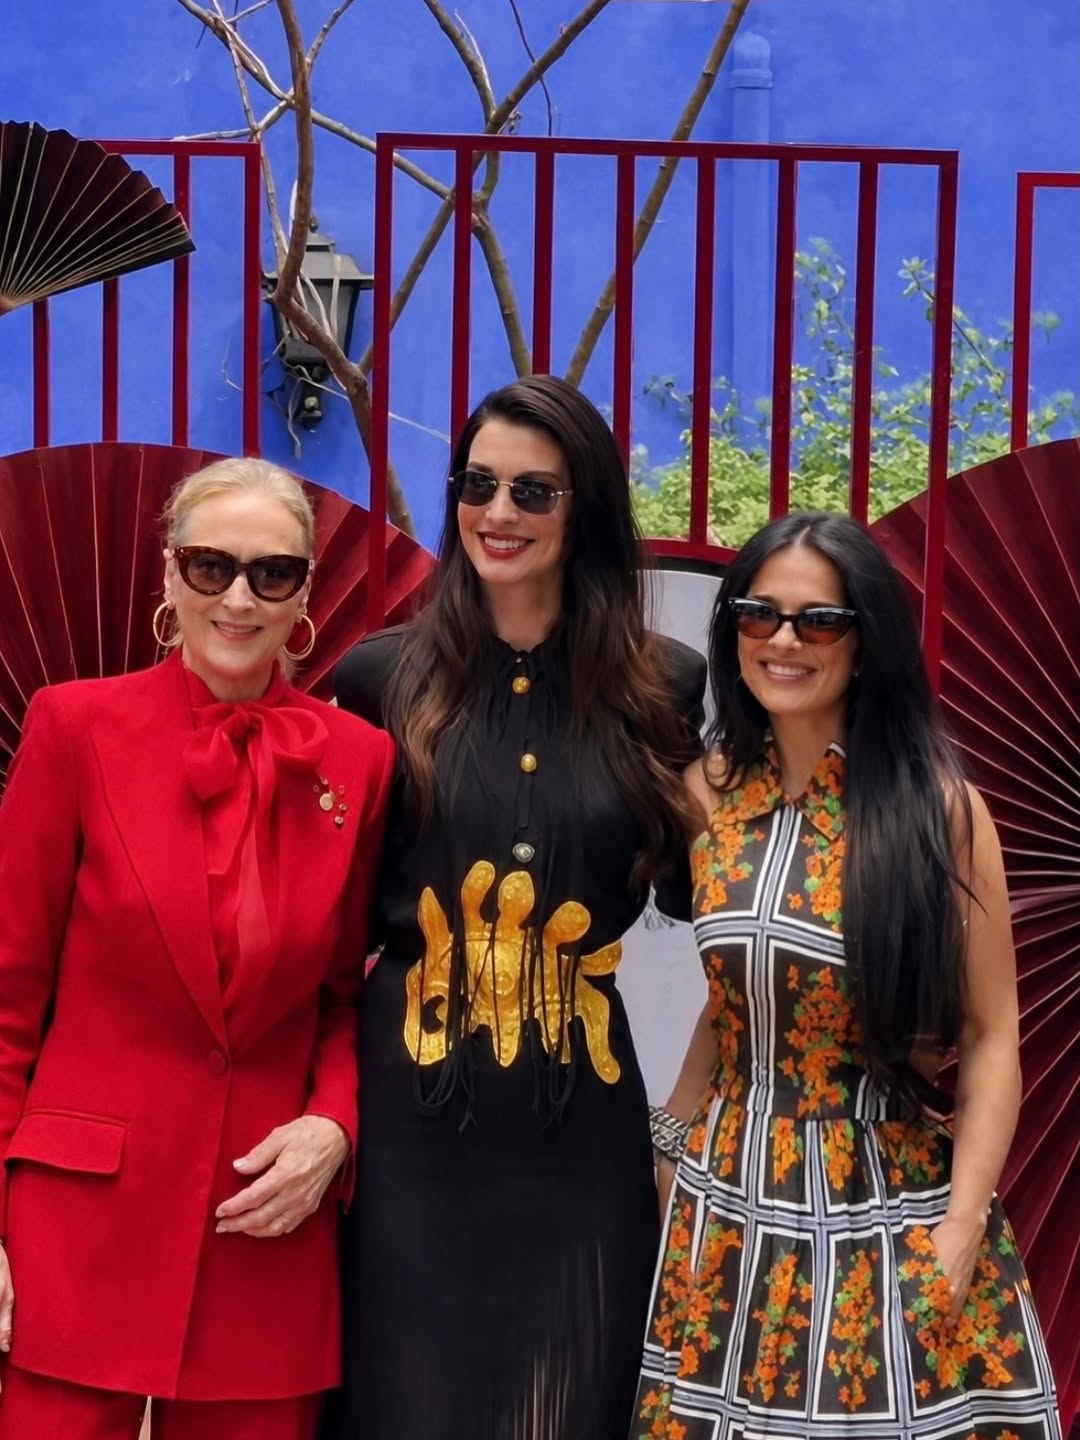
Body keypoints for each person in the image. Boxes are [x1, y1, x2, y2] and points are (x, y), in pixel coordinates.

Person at [324, 375, 706, 1440]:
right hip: (409, 1132)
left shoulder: (662, 688)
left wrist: (676, 1130)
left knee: (574, 1410)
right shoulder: (376, 681)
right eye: (477, 484)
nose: (498, 514)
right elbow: (325, 920)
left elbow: (709, 896)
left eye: (533, 493)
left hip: (581, 1136)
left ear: (583, 509)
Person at [634, 511, 1062, 1440]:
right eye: (759, 615)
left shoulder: (938, 811)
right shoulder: (706, 792)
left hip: (885, 1192)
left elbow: (992, 1037)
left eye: (818, 622)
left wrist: (959, 1229)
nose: (784, 642)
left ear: (865, 642)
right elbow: (740, 991)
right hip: (728, 1200)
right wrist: (670, 1139)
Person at [0, 458, 394, 1440]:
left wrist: (335, 1124)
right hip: (77, 1225)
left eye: (272, 574)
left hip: (264, 1218)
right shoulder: (74, 727)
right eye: (210, 565)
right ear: (168, 578)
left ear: (303, 595)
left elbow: (346, 997)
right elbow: (5, 998)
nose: (238, 597)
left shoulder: (359, 762)